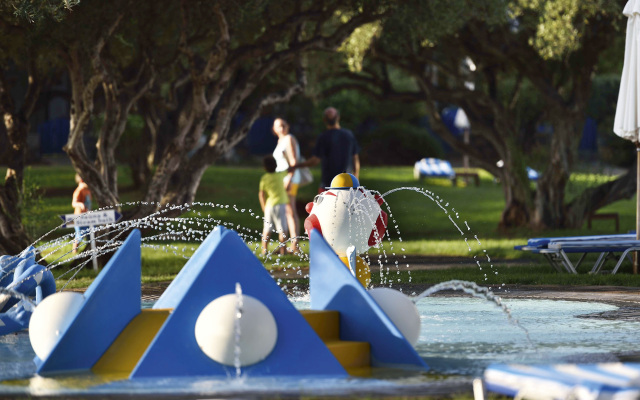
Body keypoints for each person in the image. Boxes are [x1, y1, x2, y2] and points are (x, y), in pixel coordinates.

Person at [289, 107, 360, 192]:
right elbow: (355, 159)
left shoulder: (323, 137)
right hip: (348, 185)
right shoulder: (349, 135)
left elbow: (315, 161)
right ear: (338, 117)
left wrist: (296, 166)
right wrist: (356, 180)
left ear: (324, 120)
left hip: (328, 185)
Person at [272, 117, 301, 252]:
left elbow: (294, 160)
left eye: (284, 125)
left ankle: (294, 244)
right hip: (282, 178)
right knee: (286, 211)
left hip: (290, 178)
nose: (282, 128)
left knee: (290, 210)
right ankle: (286, 243)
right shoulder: (280, 141)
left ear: (288, 126)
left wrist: (290, 177)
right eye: (279, 126)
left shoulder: (289, 139)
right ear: (274, 129)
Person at [259, 155, 289, 255]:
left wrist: (263, 206)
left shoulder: (264, 178)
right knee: (282, 229)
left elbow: (261, 194)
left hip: (269, 206)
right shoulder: (280, 175)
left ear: (264, 167)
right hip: (280, 205)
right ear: (276, 165)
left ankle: (264, 250)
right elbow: (289, 170)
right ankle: (283, 250)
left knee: (267, 229)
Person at [71, 173, 92, 254]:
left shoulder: (87, 191)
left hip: (88, 217)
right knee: (80, 235)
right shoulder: (78, 191)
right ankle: (74, 251)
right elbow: (74, 203)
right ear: (82, 180)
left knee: (90, 233)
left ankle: (90, 249)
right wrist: (80, 204)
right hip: (79, 217)